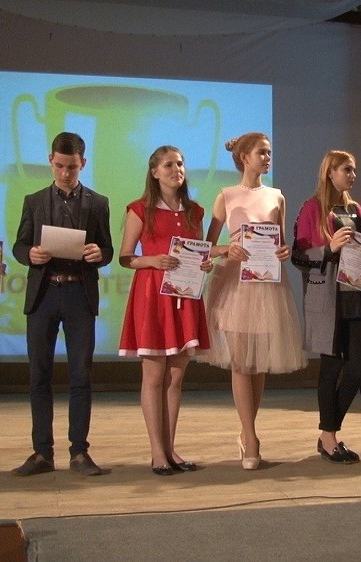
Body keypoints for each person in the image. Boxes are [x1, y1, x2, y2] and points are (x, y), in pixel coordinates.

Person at [11, 132, 114, 476]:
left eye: (72, 167)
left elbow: (107, 248)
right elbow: (20, 245)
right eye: (59, 166)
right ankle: (42, 452)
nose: (65, 173)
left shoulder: (98, 203)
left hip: (78, 294)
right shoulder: (34, 200)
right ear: (50, 161)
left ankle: (79, 452)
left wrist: (99, 254)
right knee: (39, 375)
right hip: (43, 293)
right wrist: (30, 254)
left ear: (83, 163)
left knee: (80, 375)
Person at [201, 132, 306, 470]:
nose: (267, 157)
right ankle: (250, 437)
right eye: (262, 152)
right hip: (235, 284)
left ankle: (249, 430)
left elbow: (282, 243)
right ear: (244, 157)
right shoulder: (226, 196)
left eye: (269, 152)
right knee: (240, 362)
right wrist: (226, 249)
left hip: (266, 283)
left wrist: (284, 252)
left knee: (257, 362)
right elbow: (208, 247)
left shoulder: (277, 196)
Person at [118, 146, 210, 476]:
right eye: (169, 164)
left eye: (180, 163)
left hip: (185, 297)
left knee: (176, 377)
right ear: (155, 172)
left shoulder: (195, 211)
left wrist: (205, 264)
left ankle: (171, 449)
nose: (176, 169)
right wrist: (152, 261)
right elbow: (125, 257)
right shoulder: (139, 209)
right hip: (153, 297)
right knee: (155, 376)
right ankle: (157, 452)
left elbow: (199, 253)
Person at [292, 150, 361, 464]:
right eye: (347, 170)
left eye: (354, 170)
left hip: (355, 293)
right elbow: (299, 257)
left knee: (358, 368)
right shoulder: (312, 208)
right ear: (330, 172)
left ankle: (327, 431)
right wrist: (329, 248)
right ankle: (329, 438)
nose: (352, 175)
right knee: (331, 367)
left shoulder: (356, 210)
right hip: (327, 297)